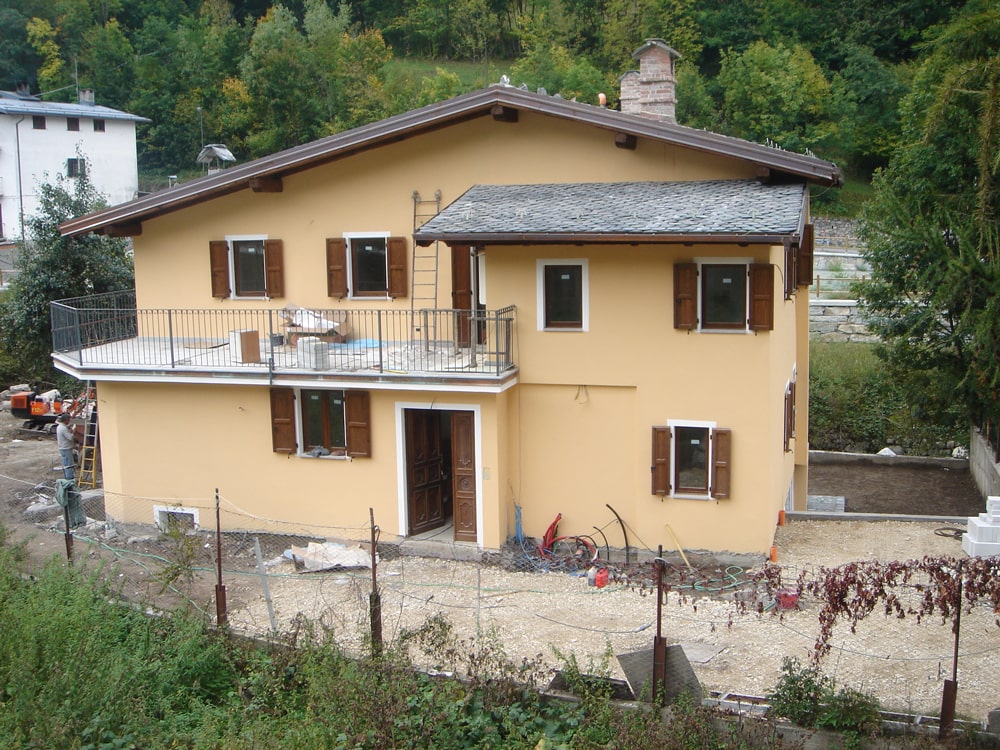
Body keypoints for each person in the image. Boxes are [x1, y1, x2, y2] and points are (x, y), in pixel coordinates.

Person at [55, 412, 77, 481]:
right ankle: (70, 479)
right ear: (66, 420)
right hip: (66, 448)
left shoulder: (60, 427)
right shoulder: (63, 428)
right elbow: (70, 438)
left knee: (65, 463)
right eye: (68, 420)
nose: (69, 421)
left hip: (62, 447)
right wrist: (73, 432)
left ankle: (68, 477)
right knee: (69, 464)